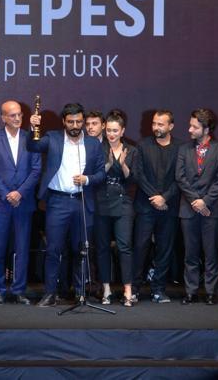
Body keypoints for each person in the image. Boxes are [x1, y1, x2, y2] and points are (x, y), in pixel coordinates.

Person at [27, 102, 106, 307]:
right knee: (53, 249)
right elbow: (33, 146)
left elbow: (101, 173)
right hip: (58, 202)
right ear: (63, 121)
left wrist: (87, 179)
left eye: (79, 121)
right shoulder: (53, 138)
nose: (75, 126)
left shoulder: (93, 144)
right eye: (71, 122)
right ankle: (50, 293)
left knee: (81, 250)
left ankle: (80, 293)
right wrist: (33, 128)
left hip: (82, 201)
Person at [0, 100, 41, 305]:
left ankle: (19, 290)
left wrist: (20, 193)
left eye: (19, 115)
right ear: (3, 118)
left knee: (22, 249)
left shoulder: (31, 138)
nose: (17, 118)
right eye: (12, 115)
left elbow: (36, 170)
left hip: (23, 203)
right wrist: (7, 194)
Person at [176, 109, 218, 305]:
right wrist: (195, 201)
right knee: (190, 253)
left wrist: (205, 201)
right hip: (188, 208)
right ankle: (190, 291)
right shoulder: (184, 149)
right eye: (190, 125)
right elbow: (180, 177)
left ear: (206, 129)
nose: (190, 129)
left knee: (211, 253)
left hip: (211, 209)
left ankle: (210, 291)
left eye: (194, 127)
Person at [131, 110, 181, 304]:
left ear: (171, 126)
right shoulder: (143, 145)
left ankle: (158, 289)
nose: (156, 127)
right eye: (154, 123)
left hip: (169, 206)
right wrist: (155, 197)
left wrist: (164, 197)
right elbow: (138, 174)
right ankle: (134, 288)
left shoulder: (181, 147)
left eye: (161, 124)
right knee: (140, 247)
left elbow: (181, 177)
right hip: (146, 206)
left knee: (165, 249)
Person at [94, 110, 138, 307]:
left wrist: (123, 165)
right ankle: (106, 289)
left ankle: (128, 290)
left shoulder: (132, 150)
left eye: (115, 130)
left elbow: (134, 179)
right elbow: (94, 177)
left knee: (124, 247)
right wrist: (108, 164)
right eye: (109, 130)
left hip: (123, 203)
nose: (111, 134)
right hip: (101, 202)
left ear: (122, 131)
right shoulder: (98, 148)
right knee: (102, 247)